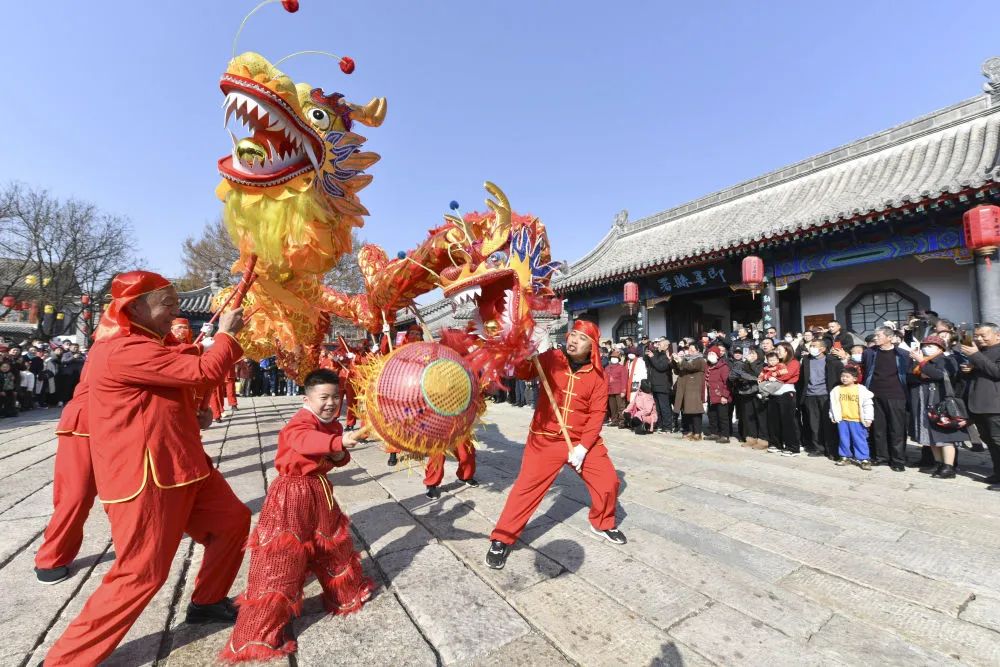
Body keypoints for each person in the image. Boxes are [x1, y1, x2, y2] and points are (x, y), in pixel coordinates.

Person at [43, 271, 251, 666]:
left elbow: (175, 379)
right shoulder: (121, 348)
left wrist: (194, 409)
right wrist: (226, 335)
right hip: (148, 476)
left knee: (233, 522)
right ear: (135, 307)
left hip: (184, 464)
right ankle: (65, 661)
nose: (176, 308)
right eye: (167, 302)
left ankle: (207, 601)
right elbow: (201, 370)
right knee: (141, 573)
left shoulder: (153, 345)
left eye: (175, 300)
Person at [221, 369, 372, 662]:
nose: (330, 403)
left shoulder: (331, 423)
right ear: (306, 398)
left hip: (319, 492)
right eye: (323, 398)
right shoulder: (300, 423)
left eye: (335, 397)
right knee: (281, 561)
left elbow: (337, 458)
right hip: (291, 495)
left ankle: (344, 595)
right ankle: (258, 634)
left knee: (334, 545)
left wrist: (342, 448)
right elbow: (304, 442)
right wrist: (338, 444)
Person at [486, 320, 624, 570]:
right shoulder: (550, 358)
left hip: (582, 440)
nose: (573, 340)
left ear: (592, 347)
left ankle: (602, 522)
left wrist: (583, 448)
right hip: (545, 439)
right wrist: (524, 356)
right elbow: (524, 372)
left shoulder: (597, 376)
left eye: (581, 339)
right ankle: (502, 538)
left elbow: (596, 414)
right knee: (526, 489)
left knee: (609, 482)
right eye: (573, 335)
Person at [907, 335, 967, 479]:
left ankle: (949, 467)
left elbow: (940, 375)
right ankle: (938, 463)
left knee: (945, 437)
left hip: (941, 403)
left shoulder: (947, 360)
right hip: (924, 401)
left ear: (940, 348)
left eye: (931, 345)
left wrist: (923, 364)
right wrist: (922, 372)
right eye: (925, 345)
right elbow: (909, 377)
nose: (926, 348)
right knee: (931, 437)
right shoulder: (919, 362)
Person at [862, 326, 912, 471]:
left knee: (897, 429)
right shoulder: (870, 353)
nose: (875, 338)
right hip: (875, 395)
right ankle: (881, 457)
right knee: (878, 428)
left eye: (879, 335)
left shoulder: (902, 354)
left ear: (889, 338)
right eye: (875, 335)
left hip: (896, 395)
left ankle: (898, 460)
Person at [960, 323, 1000, 484]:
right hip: (978, 405)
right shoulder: (981, 352)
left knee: (998, 441)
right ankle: (998, 473)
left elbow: (997, 372)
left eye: (983, 335)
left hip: (995, 406)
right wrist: (970, 369)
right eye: (976, 335)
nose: (979, 338)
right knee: (990, 442)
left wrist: (975, 356)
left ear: (997, 335)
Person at [796, 338, 844, 459]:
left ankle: (831, 450)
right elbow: (802, 379)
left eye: (814, 345)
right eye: (810, 345)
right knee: (814, 424)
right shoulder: (806, 360)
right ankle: (818, 448)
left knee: (828, 424)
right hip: (810, 396)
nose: (811, 347)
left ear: (822, 348)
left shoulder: (832, 361)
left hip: (826, 396)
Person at [829, 367, 874, 470]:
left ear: (854, 378)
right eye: (842, 376)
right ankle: (845, 457)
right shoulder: (837, 389)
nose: (844, 378)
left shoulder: (861, 389)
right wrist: (832, 415)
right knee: (843, 439)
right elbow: (833, 405)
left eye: (847, 377)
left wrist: (868, 418)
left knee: (859, 439)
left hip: (857, 420)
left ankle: (864, 459)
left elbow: (867, 404)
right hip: (843, 420)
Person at [762, 343, 801, 456]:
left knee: (788, 421)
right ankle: (776, 444)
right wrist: (769, 376)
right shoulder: (777, 363)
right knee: (774, 421)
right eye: (777, 350)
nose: (777, 352)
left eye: (779, 350)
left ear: (787, 351)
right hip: (773, 393)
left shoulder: (793, 362)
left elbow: (785, 376)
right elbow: (765, 374)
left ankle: (793, 447)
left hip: (786, 392)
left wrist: (771, 376)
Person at [733, 347, 768, 450]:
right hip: (746, 393)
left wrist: (752, 364)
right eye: (750, 353)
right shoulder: (744, 364)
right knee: (748, 416)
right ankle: (751, 438)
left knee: (761, 417)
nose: (751, 356)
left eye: (754, 354)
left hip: (758, 393)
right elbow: (737, 375)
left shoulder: (763, 365)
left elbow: (759, 375)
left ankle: (763, 439)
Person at [672, 342, 706, 441]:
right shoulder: (686, 359)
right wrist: (674, 360)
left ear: (698, 350)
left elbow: (691, 367)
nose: (690, 352)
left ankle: (697, 432)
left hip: (694, 388)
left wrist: (681, 360)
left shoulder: (700, 360)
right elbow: (677, 370)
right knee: (686, 411)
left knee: (695, 411)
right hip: (684, 388)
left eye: (692, 350)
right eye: (689, 350)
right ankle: (690, 431)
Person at [704, 346, 732, 443]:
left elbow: (727, 383)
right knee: (712, 415)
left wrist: (725, 396)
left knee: (722, 417)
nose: (710, 355)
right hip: (711, 395)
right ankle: (714, 433)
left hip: (721, 395)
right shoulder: (707, 366)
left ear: (718, 356)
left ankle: (725, 435)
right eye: (709, 353)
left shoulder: (723, 367)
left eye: (713, 354)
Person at [645, 338, 675, 433]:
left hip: (663, 385)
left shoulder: (666, 356)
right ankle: (660, 425)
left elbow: (660, 367)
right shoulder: (656, 354)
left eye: (660, 344)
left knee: (664, 407)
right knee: (657, 408)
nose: (658, 345)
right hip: (654, 385)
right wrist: (648, 352)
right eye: (658, 344)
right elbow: (648, 361)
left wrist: (652, 357)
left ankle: (668, 427)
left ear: (666, 346)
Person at [605, 350, 627, 428]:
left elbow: (624, 380)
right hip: (610, 390)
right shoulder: (607, 368)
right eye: (612, 357)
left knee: (621, 407)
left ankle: (622, 422)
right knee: (612, 407)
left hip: (619, 390)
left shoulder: (622, 368)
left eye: (615, 357)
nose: (614, 358)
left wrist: (623, 390)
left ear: (618, 359)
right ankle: (614, 421)